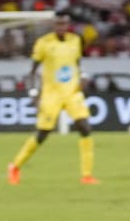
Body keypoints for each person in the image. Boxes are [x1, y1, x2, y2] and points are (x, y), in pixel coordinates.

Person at [7, 12, 98, 185]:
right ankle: (15, 166)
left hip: (72, 92)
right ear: (53, 25)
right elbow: (33, 71)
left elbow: (77, 63)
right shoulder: (44, 43)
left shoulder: (75, 41)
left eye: (64, 24)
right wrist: (34, 93)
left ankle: (87, 175)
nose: (61, 27)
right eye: (58, 24)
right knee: (43, 134)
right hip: (51, 94)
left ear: (68, 24)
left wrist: (83, 75)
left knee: (85, 128)